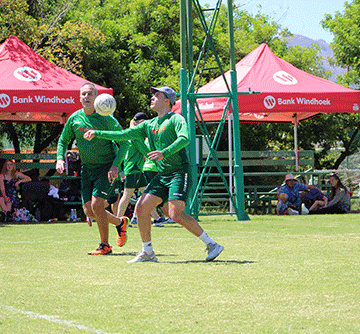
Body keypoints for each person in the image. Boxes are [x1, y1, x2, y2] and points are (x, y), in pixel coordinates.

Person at [84, 86, 224, 262]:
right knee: (141, 209)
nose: (152, 97)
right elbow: (124, 134)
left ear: (167, 101)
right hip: (163, 174)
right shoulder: (149, 124)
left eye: (156, 95)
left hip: (178, 172)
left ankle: (212, 245)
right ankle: (148, 252)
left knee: (175, 214)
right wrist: (97, 133)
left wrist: (164, 152)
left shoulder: (175, 119)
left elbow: (185, 138)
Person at [56, 82, 129, 255]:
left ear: (96, 97)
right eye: (83, 94)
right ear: (79, 98)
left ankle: (105, 245)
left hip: (106, 168)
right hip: (87, 169)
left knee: (97, 205)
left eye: (90, 94)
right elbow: (63, 140)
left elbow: (125, 142)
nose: (86, 97)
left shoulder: (107, 118)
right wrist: (60, 158)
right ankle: (120, 223)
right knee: (89, 210)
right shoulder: (74, 119)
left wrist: (115, 165)